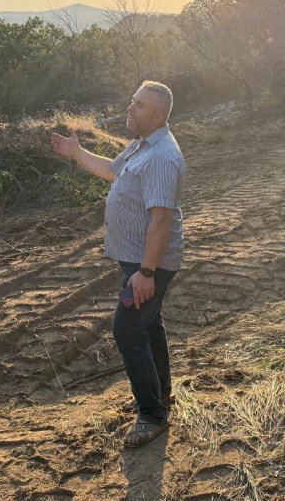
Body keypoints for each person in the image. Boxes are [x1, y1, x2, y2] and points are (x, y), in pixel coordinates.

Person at [51, 81, 185, 448]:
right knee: (148, 325)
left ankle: (152, 415)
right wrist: (76, 152)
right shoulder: (143, 145)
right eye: (132, 101)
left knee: (126, 329)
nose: (130, 108)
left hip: (149, 263)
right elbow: (113, 170)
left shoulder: (162, 157)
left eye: (139, 105)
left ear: (158, 115)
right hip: (138, 260)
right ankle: (160, 395)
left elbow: (161, 219)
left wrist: (146, 273)